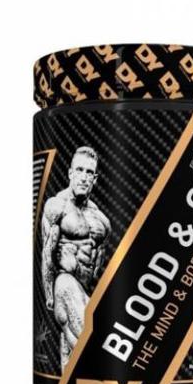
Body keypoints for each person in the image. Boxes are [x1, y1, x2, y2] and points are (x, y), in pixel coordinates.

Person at [41, 147, 111, 371]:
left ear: (95, 179)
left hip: (84, 289)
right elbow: (47, 252)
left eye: (89, 172)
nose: (84, 176)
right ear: (70, 173)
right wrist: (49, 295)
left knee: (72, 358)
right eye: (79, 170)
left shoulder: (100, 220)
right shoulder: (57, 207)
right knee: (88, 341)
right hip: (64, 283)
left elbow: (98, 261)